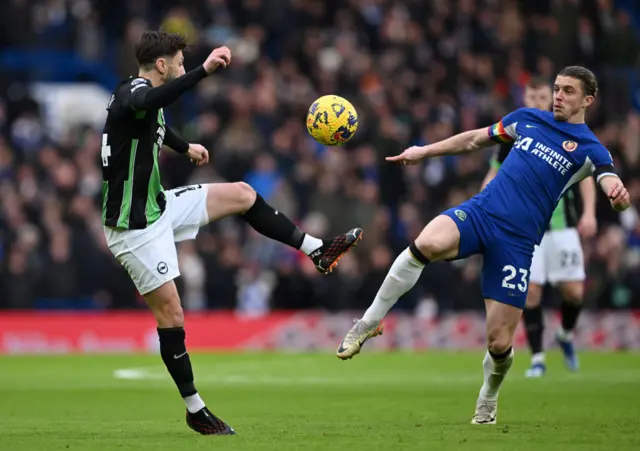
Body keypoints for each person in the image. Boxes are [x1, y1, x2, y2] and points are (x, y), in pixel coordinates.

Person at [101, 31, 363, 435]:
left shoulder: (140, 99)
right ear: (161, 66)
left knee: (242, 194)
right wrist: (204, 71)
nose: (183, 68)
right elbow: (145, 103)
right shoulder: (133, 92)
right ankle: (195, 409)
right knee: (172, 314)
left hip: (159, 206)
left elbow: (151, 121)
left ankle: (317, 250)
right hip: (132, 228)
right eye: (180, 63)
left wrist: (184, 147)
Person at [336, 66, 629, 425]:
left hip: (518, 242)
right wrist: (424, 152)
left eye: (568, 91)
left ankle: (488, 398)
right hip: (482, 212)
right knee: (426, 242)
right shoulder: (526, 119)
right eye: (556, 88)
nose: (558, 96)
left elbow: (609, 180)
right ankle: (368, 322)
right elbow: (475, 139)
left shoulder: (590, 149)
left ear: (588, 100)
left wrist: (617, 197)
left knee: (499, 343)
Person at [481, 77, 597, 377]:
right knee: (530, 293)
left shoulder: (568, 135)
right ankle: (538, 358)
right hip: (527, 231)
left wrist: (589, 214)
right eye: (530, 97)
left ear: (551, 99)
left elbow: (586, 176)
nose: (535, 102)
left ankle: (565, 336)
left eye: (541, 97)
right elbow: (492, 175)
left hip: (563, 229)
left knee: (572, 292)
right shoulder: (517, 135)